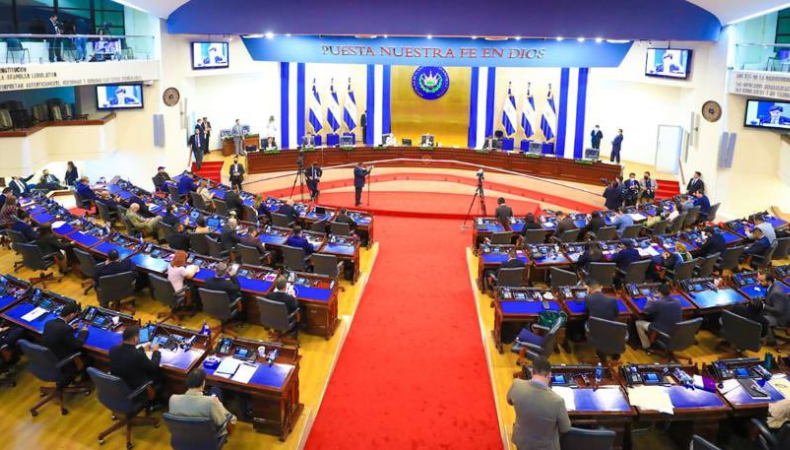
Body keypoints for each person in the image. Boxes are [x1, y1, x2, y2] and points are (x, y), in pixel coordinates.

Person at [507, 357, 571, 450]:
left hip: (521, 441)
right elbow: (565, 428)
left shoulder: (516, 384)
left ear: (532, 372)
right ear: (549, 374)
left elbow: (509, 401)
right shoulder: (558, 401)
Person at [168, 369, 236, 437]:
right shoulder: (211, 402)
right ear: (203, 384)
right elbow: (222, 421)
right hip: (207, 438)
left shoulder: (173, 399)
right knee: (232, 418)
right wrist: (219, 405)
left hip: (182, 437)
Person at [109, 325, 163, 394]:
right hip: (135, 389)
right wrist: (156, 352)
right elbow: (153, 368)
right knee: (160, 377)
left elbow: (127, 354)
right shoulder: (138, 355)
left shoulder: (113, 349)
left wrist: (142, 349)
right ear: (135, 338)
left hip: (120, 385)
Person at [635, 284, 682, 349]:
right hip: (675, 330)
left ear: (659, 293)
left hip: (662, 330)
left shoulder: (658, 303)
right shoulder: (678, 301)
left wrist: (649, 302)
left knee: (638, 323)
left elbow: (645, 311)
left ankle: (646, 346)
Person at [584, 280, 622, 360]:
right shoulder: (612, 300)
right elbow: (617, 314)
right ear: (601, 288)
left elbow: (586, 310)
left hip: (595, 329)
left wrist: (587, 293)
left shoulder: (588, 298)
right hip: (611, 328)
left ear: (589, 288)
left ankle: (601, 352)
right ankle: (615, 353)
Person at [760, 274, 790, 345]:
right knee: (757, 311)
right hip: (779, 313)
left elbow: (778, 311)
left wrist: (763, 306)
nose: (759, 283)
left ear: (769, 281)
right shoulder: (774, 286)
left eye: (762, 281)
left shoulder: (776, 292)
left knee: (761, 320)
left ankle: (771, 341)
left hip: (781, 318)